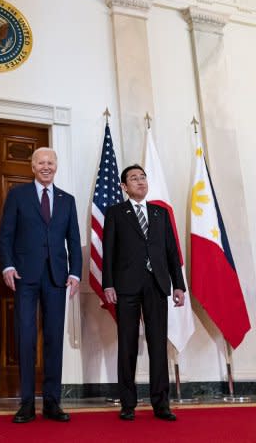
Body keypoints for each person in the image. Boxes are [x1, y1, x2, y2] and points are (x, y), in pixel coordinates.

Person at [0, 147, 82, 423]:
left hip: (57, 278)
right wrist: (8, 265)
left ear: (56, 166)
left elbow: (73, 240)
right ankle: (25, 404)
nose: (46, 167)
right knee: (25, 338)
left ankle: (52, 403)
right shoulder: (17, 195)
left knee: (54, 339)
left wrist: (76, 273)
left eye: (50, 162)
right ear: (32, 167)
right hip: (25, 276)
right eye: (41, 163)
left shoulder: (67, 200)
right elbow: (6, 234)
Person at [102, 164, 185, 422]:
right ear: (124, 187)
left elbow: (171, 252)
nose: (140, 181)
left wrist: (179, 285)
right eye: (133, 179)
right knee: (127, 345)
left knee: (158, 345)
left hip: (157, 285)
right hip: (126, 286)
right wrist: (108, 284)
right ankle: (128, 403)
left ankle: (161, 403)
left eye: (143, 177)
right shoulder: (116, 213)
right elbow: (109, 252)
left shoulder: (161, 213)